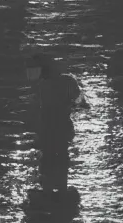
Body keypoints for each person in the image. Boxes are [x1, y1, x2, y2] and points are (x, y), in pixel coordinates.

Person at [26, 53, 86, 195]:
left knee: (47, 158)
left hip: (46, 129)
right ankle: (62, 189)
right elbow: (79, 101)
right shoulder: (68, 81)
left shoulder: (40, 86)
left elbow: (35, 108)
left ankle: (47, 190)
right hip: (63, 127)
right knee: (62, 157)